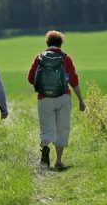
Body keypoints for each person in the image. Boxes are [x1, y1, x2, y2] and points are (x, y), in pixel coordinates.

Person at [28, 30, 86, 171]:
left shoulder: (39, 57)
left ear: (47, 42)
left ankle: (46, 148)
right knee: (62, 128)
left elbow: (30, 78)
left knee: (46, 127)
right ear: (61, 43)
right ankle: (59, 161)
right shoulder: (66, 58)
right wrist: (81, 100)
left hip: (44, 98)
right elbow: (74, 80)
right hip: (63, 97)